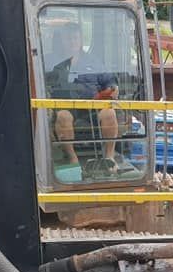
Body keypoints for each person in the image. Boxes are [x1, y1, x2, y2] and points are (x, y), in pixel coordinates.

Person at [46, 21, 130, 177]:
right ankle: (73, 160)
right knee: (63, 116)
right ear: (62, 41)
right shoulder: (50, 61)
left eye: (75, 38)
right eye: (68, 39)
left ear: (80, 41)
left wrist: (113, 87)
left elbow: (109, 79)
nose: (72, 42)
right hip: (65, 107)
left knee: (109, 113)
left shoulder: (93, 61)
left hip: (92, 104)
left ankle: (109, 157)